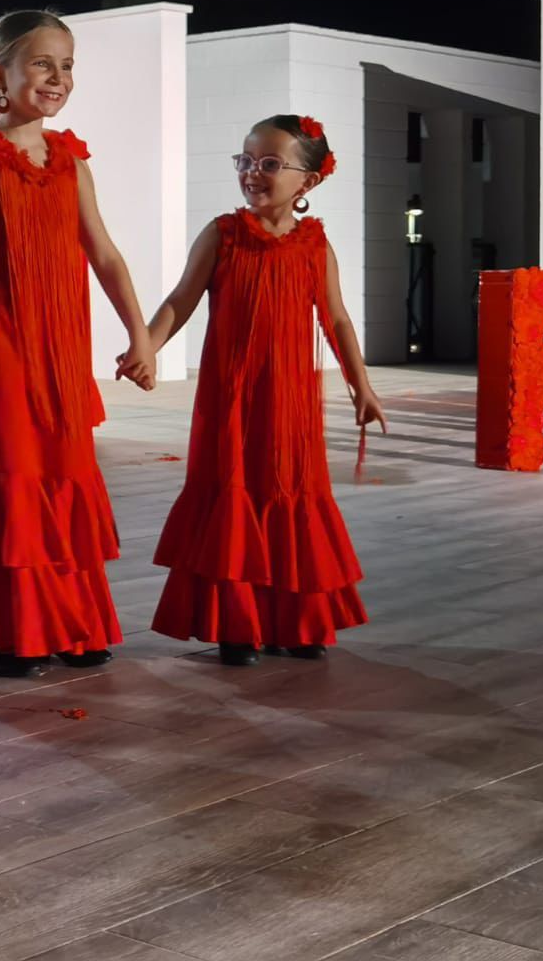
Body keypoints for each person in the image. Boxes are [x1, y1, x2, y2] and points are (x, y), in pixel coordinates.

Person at [0, 12, 154, 677]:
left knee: (63, 479)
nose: (58, 78)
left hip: (60, 355)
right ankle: (2, 627)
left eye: (68, 65)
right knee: (13, 482)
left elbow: (104, 253)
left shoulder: (72, 164)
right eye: (44, 64)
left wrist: (139, 333)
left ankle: (71, 622)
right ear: (0, 73)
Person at [145, 115, 384, 664]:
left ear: (309, 181)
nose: (254, 173)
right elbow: (181, 299)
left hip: (289, 404)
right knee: (234, 493)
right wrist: (148, 345)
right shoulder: (222, 234)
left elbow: (338, 320)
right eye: (247, 161)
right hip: (230, 400)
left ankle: (294, 623)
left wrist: (361, 386)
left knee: (289, 492)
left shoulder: (315, 245)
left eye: (270, 164)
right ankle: (237, 624)